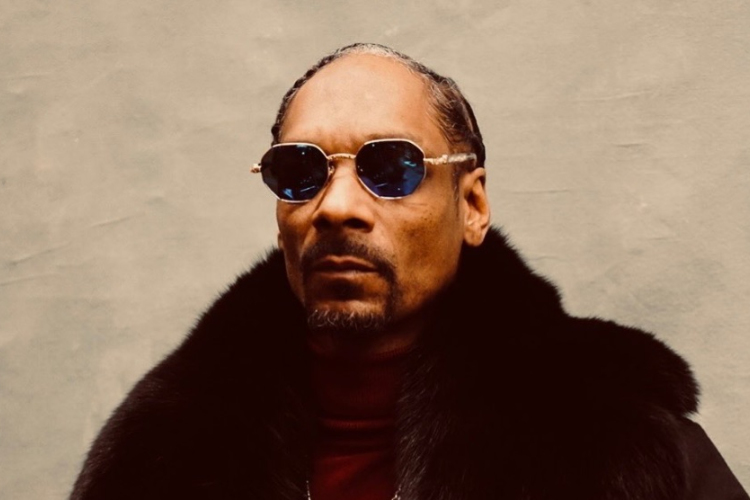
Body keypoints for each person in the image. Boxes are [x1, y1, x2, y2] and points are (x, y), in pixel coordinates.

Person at [69, 43, 748, 500]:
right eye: (300, 172)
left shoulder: (619, 445)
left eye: (391, 168)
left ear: (472, 206)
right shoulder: (158, 459)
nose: (336, 207)